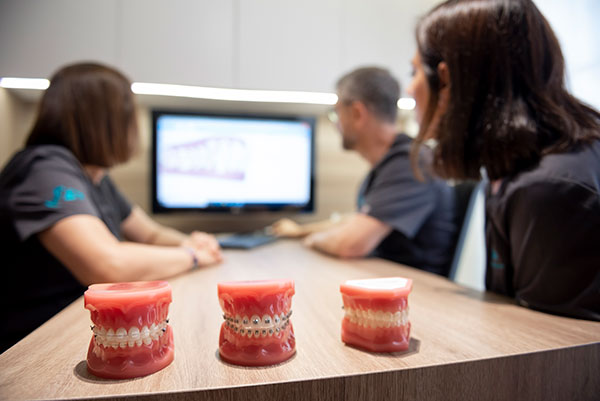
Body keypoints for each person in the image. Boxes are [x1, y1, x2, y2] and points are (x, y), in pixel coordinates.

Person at [0, 62, 223, 352]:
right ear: (106, 120)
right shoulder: (44, 170)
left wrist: (192, 241)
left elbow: (150, 234)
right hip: (34, 344)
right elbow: (108, 265)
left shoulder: (94, 175)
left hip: (77, 326)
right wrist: (192, 256)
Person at [411, 0, 600, 320]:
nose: (410, 86)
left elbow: (558, 356)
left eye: (413, 71)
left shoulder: (549, 188)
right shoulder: (511, 173)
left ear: (446, 81)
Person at [273, 67, 458, 276]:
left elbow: (349, 244)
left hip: (416, 295)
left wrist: (311, 240)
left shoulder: (411, 164)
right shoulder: (390, 165)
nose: (336, 123)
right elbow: (355, 221)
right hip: (387, 280)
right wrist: (300, 231)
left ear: (357, 113)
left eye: (337, 113)